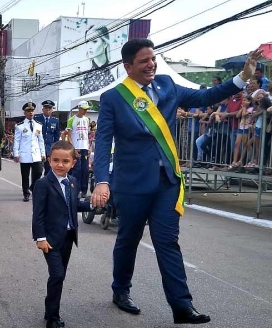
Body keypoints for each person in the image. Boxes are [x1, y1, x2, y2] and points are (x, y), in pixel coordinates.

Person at [91, 38, 262, 324]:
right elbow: (103, 140)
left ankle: (182, 306)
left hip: (167, 182)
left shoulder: (167, 85)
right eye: (144, 61)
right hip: (132, 185)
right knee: (128, 239)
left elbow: (206, 98)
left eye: (153, 59)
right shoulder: (114, 97)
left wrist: (243, 76)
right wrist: (101, 181)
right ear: (128, 66)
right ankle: (121, 291)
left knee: (168, 241)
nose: (151, 64)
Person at [32, 140, 91, 328]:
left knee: (60, 276)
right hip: (50, 240)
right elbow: (38, 214)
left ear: (73, 163)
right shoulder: (43, 184)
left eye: (65, 161)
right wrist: (40, 238)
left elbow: (74, 205)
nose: (60, 164)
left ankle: (50, 308)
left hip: (68, 238)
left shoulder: (72, 182)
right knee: (57, 275)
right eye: (55, 160)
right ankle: (52, 317)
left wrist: (92, 204)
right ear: (49, 160)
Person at [14, 102, 46, 202]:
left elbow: (41, 140)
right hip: (25, 155)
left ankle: (32, 187)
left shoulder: (38, 125)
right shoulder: (20, 126)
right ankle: (26, 193)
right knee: (25, 176)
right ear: (25, 113)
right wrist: (16, 154)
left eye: (32, 111)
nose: (31, 113)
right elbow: (17, 140)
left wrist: (43, 153)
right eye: (28, 111)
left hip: (36, 154)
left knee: (39, 172)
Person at [80, 25, 116, 95]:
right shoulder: (84, 72)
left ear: (105, 44)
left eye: (94, 41)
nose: (89, 46)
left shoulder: (115, 70)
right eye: (87, 42)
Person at [66, 100, 91, 197]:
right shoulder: (72, 119)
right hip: (76, 148)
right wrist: (73, 149)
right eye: (84, 109)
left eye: (86, 110)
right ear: (79, 108)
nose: (85, 111)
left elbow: (87, 134)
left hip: (85, 147)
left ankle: (84, 190)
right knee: (77, 170)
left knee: (85, 170)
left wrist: (89, 147)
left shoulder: (87, 119)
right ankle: (74, 189)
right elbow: (69, 136)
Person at [34, 100, 60, 176]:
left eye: (49, 108)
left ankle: (45, 185)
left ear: (52, 110)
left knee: (48, 169)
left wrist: (55, 147)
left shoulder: (55, 121)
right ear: (43, 109)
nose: (48, 110)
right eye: (46, 108)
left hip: (49, 148)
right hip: (38, 147)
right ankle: (35, 185)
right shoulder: (37, 119)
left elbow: (56, 135)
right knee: (38, 169)